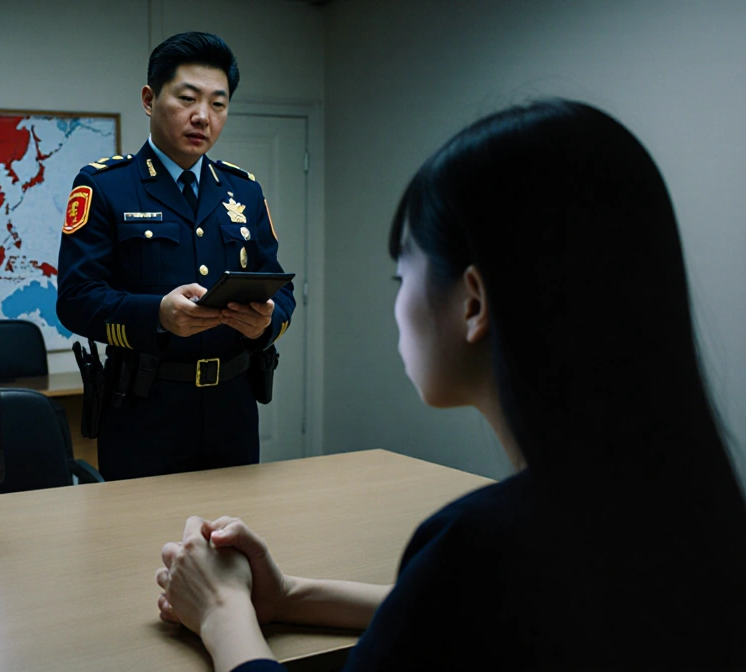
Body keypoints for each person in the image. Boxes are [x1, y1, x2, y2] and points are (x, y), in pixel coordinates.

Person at [153, 100, 746, 670]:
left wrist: (222, 612)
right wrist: (289, 596)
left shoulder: (481, 544)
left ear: (473, 302)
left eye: (401, 270)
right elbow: (472, 613)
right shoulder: (683, 510)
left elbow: (469, 592)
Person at [56, 32, 296, 481]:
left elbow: (284, 294)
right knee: (142, 547)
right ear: (150, 99)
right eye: (187, 98)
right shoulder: (106, 186)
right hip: (145, 410)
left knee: (230, 543)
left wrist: (265, 323)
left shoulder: (243, 190)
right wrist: (158, 315)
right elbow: (75, 299)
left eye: (218, 104)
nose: (202, 116)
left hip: (233, 409)